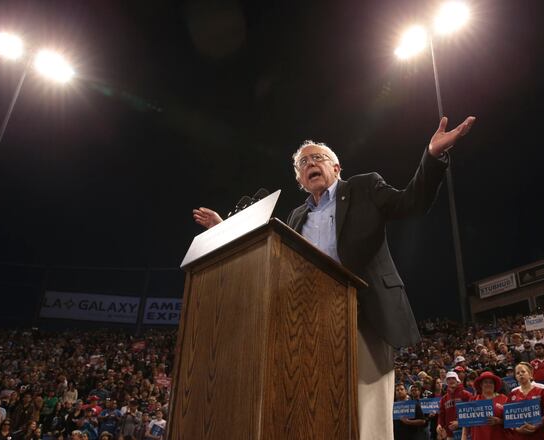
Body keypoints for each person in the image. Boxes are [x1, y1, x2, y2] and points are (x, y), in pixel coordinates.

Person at [193, 115, 476, 440]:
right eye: (303, 163)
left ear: (337, 167)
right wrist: (226, 230)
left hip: (364, 314)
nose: (310, 163)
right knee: (318, 409)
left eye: (317, 158)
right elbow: (274, 261)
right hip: (312, 323)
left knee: (367, 413)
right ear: (300, 178)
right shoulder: (296, 217)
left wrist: (432, 156)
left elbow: (413, 202)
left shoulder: (364, 187)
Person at [507, 363, 544, 440]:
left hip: (540, 435)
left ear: (530, 375)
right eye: (517, 373)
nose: (520, 374)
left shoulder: (541, 391)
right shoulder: (512, 394)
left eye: (523, 372)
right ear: (516, 377)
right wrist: (517, 429)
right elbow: (508, 417)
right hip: (520, 436)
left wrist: (537, 426)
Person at [460, 371, 507, 440]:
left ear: (494, 385)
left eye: (491, 382)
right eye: (485, 382)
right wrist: (463, 437)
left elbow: (511, 420)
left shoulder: (504, 399)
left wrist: (499, 421)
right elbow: (466, 422)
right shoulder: (473, 399)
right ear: (481, 385)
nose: (488, 384)